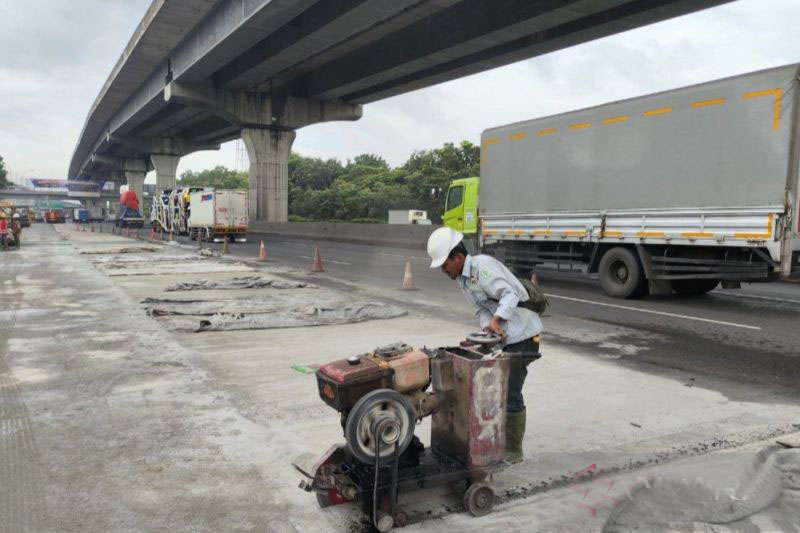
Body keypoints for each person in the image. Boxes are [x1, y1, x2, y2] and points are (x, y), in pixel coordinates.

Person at [427, 226, 542, 464]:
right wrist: (488, 328)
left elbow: (510, 294)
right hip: (505, 338)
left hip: (523, 335)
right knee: (496, 388)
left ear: (458, 257)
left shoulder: (482, 268)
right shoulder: (463, 280)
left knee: (510, 391)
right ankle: (496, 441)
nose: (444, 271)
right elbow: (480, 309)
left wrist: (497, 320)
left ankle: (513, 451)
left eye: (445, 265)